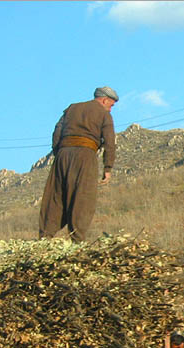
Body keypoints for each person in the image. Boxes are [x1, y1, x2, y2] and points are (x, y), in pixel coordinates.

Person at [38, 86, 118, 242]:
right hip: (85, 154)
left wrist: (58, 153)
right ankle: (77, 240)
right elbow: (110, 142)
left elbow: (57, 132)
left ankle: (45, 237)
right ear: (104, 100)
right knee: (83, 196)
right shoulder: (103, 114)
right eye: (111, 105)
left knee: (55, 196)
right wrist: (108, 168)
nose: (110, 109)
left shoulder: (71, 108)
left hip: (62, 154)